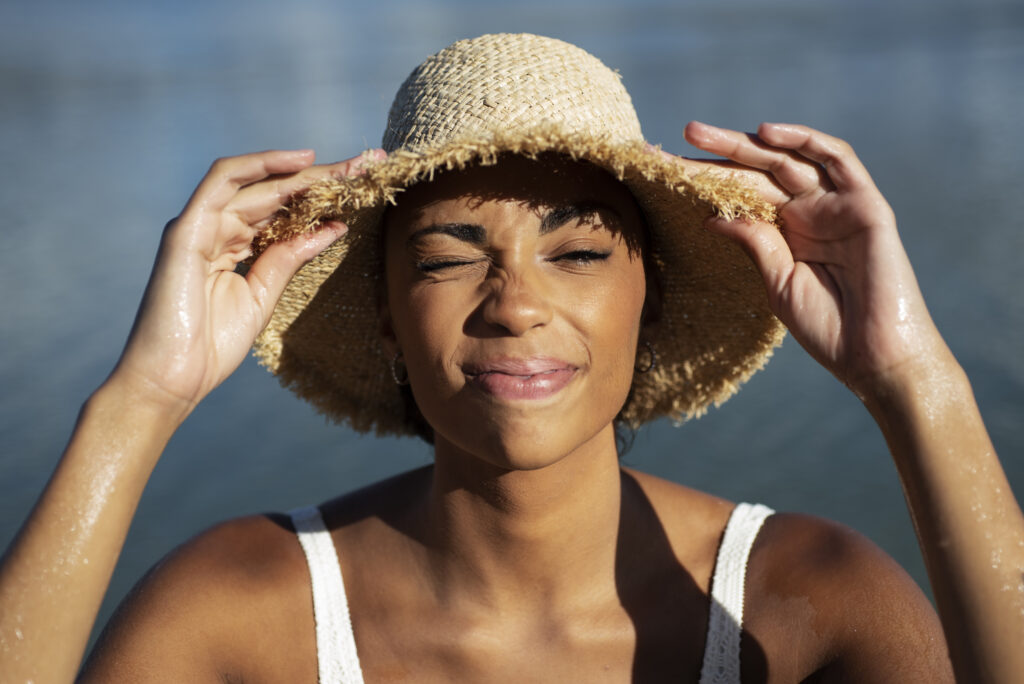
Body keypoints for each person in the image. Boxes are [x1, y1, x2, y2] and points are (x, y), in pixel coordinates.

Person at [1, 33, 1021, 683]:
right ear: (389, 316)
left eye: (577, 253)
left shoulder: (802, 602)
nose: (516, 305)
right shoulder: (244, 614)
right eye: (448, 261)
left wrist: (913, 385)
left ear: (648, 297)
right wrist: (140, 400)